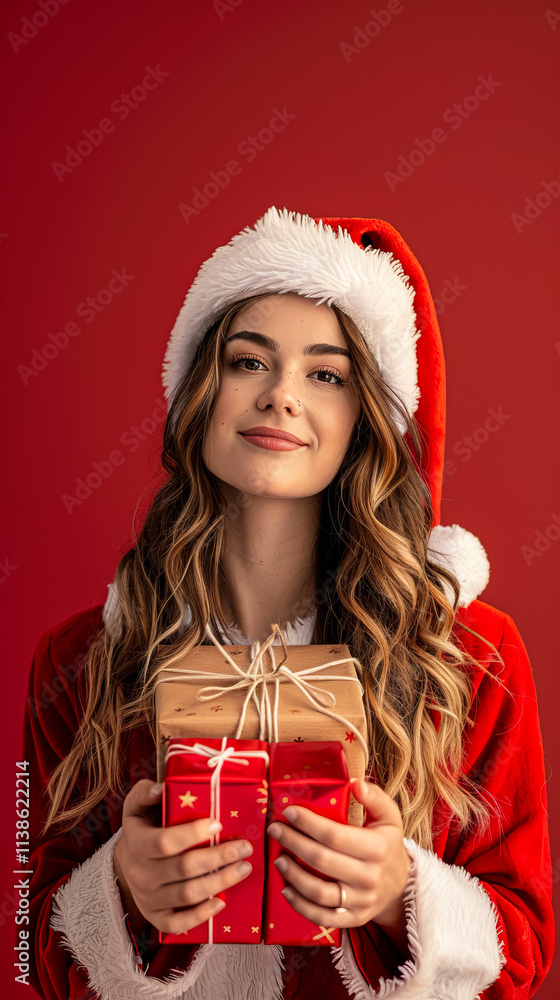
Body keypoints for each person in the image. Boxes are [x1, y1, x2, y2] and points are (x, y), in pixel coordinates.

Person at [22, 207, 553, 1000]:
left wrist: (397, 897)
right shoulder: (81, 661)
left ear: (364, 419)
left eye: (326, 374)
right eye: (248, 362)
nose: (281, 397)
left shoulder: (470, 657)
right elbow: (33, 954)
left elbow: (527, 947)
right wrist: (121, 893)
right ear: (200, 392)